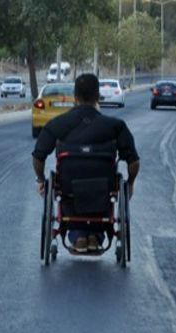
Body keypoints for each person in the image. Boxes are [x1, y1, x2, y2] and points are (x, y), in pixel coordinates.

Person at [32, 73, 140, 253]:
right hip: (103, 186)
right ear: (98, 96)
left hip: (68, 185)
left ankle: (79, 236)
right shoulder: (116, 126)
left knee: (70, 188)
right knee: (100, 187)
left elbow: (38, 157)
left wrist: (41, 180)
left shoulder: (57, 124)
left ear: (75, 97)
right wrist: (130, 183)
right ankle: (94, 236)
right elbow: (134, 161)